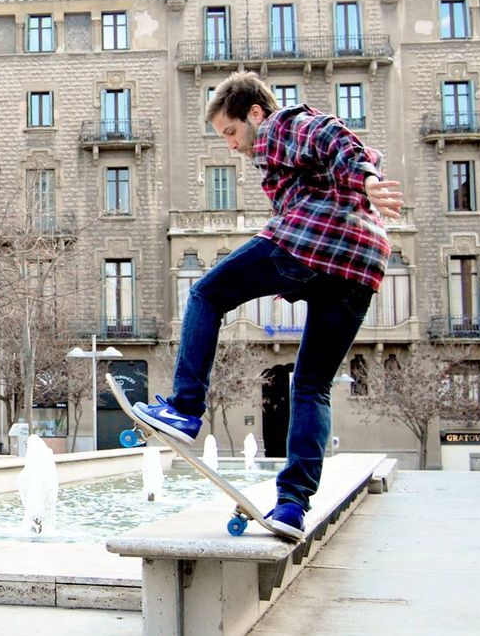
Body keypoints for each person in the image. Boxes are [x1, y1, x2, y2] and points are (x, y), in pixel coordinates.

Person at [132, 71, 404, 541]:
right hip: (362, 263)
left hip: (316, 240)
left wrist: (368, 177)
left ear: (254, 113)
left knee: (206, 293)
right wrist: (364, 181)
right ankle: (292, 506)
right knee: (313, 385)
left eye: (232, 132)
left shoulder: (280, 125)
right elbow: (335, 157)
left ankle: (184, 408)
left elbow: (331, 136)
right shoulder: (288, 158)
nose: (232, 146)